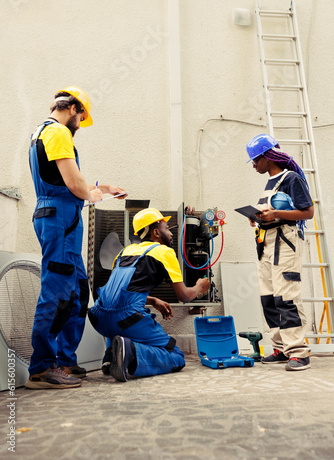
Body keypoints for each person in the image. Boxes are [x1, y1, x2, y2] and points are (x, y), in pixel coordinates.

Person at [26, 86, 127, 389]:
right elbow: (75, 185)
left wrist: (103, 188)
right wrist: (94, 194)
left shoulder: (48, 133)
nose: (80, 125)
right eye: (82, 118)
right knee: (56, 292)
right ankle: (42, 368)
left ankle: (64, 361)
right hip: (58, 218)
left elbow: (66, 179)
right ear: (73, 109)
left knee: (77, 291)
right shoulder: (58, 133)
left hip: (63, 217)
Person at [88, 208, 210, 382]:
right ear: (155, 232)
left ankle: (110, 356)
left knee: (116, 317)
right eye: (167, 228)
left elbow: (117, 293)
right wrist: (199, 287)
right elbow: (184, 296)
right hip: (126, 320)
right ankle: (129, 353)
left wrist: (152, 300)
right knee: (176, 356)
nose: (171, 233)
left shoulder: (124, 252)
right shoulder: (164, 252)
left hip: (98, 317)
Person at [246, 133, 314, 371]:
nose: (254, 165)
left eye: (255, 160)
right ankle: (281, 348)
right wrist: (257, 219)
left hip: (286, 244)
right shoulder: (270, 182)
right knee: (269, 299)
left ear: (268, 157)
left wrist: (275, 214)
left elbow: (308, 212)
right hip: (266, 244)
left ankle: (298, 352)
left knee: (287, 296)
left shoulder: (291, 178)